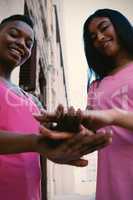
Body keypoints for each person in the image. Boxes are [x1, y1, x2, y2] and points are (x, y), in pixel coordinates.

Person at [0, 14, 112, 200]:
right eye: (14, 34)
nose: (22, 44)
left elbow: (41, 141)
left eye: (29, 43)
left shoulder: (30, 99)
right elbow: (34, 141)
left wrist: (62, 134)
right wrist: (37, 142)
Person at [82, 8, 133, 200]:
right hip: (111, 180)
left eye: (104, 28)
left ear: (120, 27)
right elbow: (90, 130)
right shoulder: (96, 86)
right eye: (93, 37)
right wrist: (69, 125)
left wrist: (113, 116)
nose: (100, 38)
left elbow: (108, 117)